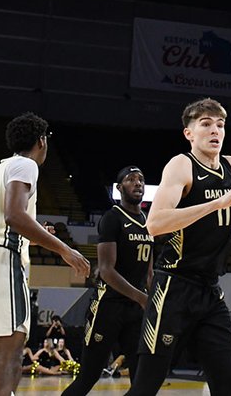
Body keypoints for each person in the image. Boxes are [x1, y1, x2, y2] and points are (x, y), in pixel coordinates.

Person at [123, 98, 231, 396]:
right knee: (146, 385)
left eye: (220, 124)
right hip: (172, 287)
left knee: (229, 386)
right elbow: (155, 224)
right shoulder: (181, 165)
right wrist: (217, 203)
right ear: (189, 133)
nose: (215, 130)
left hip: (210, 292)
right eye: (205, 124)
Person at [0, 112, 90, 396]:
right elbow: (14, 216)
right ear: (42, 141)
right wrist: (65, 250)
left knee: (3, 359)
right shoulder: (26, 165)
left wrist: (25, 236)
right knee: (10, 356)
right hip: (0, 264)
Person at [62, 166, 153, 396]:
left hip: (136, 309)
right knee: (88, 377)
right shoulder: (113, 217)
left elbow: (149, 271)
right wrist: (142, 297)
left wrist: (152, 301)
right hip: (108, 306)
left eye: (141, 179)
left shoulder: (149, 221)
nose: (138, 183)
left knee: (142, 379)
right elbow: (106, 271)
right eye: (131, 179)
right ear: (120, 187)